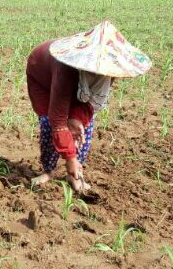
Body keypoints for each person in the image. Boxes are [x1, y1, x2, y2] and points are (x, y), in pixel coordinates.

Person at [25, 20, 151, 195]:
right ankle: (48, 171)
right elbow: (58, 118)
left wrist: (77, 119)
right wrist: (69, 157)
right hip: (43, 77)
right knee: (49, 123)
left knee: (83, 128)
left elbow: (91, 102)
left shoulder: (110, 69)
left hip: (77, 84)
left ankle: (75, 173)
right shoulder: (66, 68)